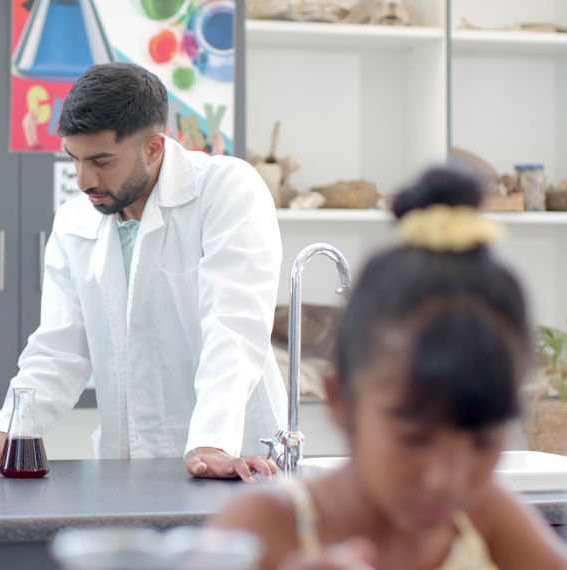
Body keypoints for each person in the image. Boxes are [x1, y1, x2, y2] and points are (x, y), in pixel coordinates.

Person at [0, 63, 287, 480]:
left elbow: (234, 326)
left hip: (237, 456)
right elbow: (58, 349)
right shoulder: (74, 221)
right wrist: (8, 433)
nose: (84, 180)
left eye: (101, 160)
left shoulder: (225, 189)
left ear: (154, 147)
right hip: (130, 464)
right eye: (75, 159)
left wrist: (214, 441)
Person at [212, 166, 567, 569]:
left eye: (483, 442)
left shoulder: (485, 519)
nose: (445, 479)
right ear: (341, 401)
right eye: (414, 438)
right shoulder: (266, 528)